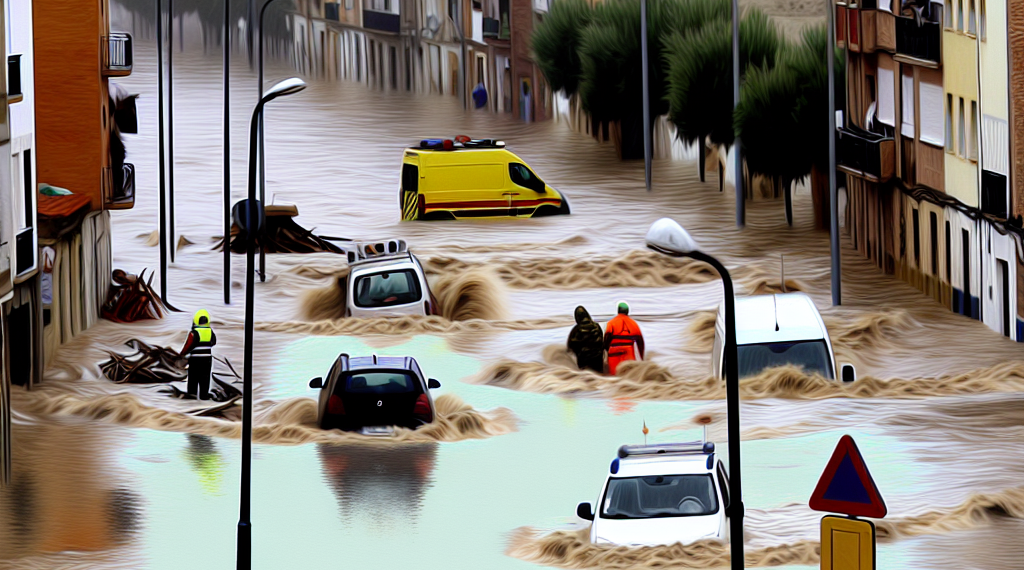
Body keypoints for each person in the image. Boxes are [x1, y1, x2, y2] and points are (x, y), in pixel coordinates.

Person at [180, 309, 217, 400]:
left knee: (193, 378)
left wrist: (181, 354)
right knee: (205, 378)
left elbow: (188, 345)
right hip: (207, 359)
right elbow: (213, 342)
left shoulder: (194, 333)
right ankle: (204, 395)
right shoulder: (210, 332)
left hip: (195, 360)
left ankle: (192, 395)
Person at [604, 301, 644, 375]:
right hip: (628, 352)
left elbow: (606, 340)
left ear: (618, 311)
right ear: (627, 312)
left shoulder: (611, 323)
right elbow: (640, 342)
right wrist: (642, 357)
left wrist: (605, 352)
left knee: (614, 376)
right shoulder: (634, 323)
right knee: (628, 375)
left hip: (614, 352)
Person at [567, 306, 604, 373]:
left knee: (586, 378)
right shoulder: (596, 326)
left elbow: (570, 345)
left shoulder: (576, 330)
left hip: (584, 359)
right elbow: (602, 340)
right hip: (598, 358)